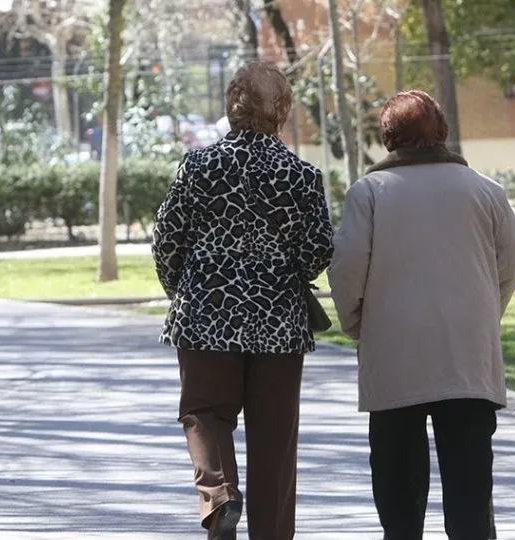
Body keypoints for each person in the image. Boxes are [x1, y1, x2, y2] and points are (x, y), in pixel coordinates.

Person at [328, 90, 515, 540]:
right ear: (442, 131)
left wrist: (358, 323)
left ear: (387, 137)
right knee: (470, 484)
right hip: (467, 351)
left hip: (394, 351)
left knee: (397, 483)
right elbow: (512, 258)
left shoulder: (369, 193)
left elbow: (347, 267)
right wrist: (486, 310)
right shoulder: (485, 190)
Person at [151, 61, 333, 540]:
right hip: (278, 323)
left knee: (205, 414)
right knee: (275, 438)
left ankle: (219, 496)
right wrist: (283, 272)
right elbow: (318, 249)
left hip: (206, 315)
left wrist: (183, 290)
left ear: (232, 105)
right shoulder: (301, 176)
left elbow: (167, 239)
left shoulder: (197, 166)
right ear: (283, 111)